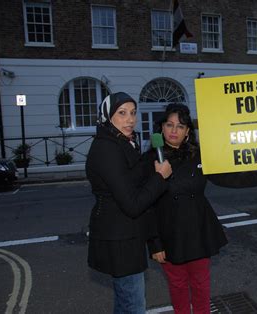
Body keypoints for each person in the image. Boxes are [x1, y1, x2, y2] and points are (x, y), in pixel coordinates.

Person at [147, 103, 257, 314]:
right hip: (169, 233)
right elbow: (146, 206)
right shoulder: (150, 160)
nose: (173, 130)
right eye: (169, 125)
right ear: (161, 128)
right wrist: (154, 244)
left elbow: (228, 177)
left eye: (180, 126)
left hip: (199, 230)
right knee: (178, 287)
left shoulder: (199, 155)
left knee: (200, 286)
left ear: (188, 131)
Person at [85, 92, 172, 314]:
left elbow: (137, 186)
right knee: (133, 305)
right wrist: (160, 178)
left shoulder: (123, 143)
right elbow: (133, 203)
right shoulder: (107, 148)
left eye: (133, 113)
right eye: (122, 113)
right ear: (107, 117)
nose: (130, 119)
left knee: (126, 303)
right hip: (119, 238)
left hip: (127, 234)